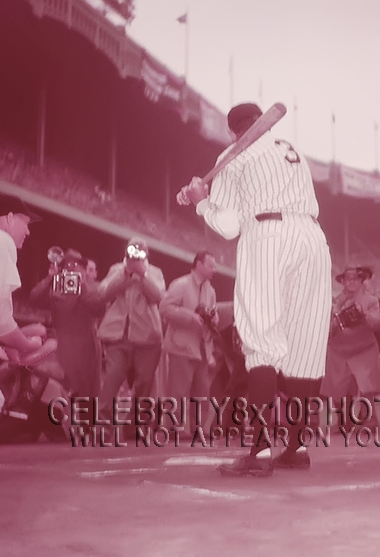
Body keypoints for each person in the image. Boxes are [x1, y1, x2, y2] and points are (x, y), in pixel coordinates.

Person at [178, 102, 332, 475]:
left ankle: (260, 453)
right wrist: (203, 196)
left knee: (262, 343)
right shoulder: (288, 147)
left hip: (268, 236)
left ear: (233, 131)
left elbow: (229, 225)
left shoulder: (234, 153)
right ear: (260, 121)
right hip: (312, 239)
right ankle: (296, 447)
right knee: (305, 348)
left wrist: (201, 203)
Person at [0, 193, 43, 433]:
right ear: (8, 218)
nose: (28, 232)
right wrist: (25, 344)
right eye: (25, 222)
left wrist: (4, 352)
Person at [96, 238, 165, 424]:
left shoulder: (155, 272)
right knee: (112, 377)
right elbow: (103, 293)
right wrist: (125, 275)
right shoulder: (116, 269)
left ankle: (136, 425)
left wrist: (143, 276)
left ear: (146, 254)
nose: (136, 255)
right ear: (126, 252)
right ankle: (103, 423)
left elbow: (158, 296)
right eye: (132, 251)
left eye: (140, 252)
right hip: (118, 336)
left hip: (148, 338)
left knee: (144, 383)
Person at [29, 248, 105, 397]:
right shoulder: (56, 288)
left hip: (86, 351)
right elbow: (34, 300)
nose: (71, 272)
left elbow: (100, 309)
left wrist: (82, 289)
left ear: (84, 270)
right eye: (67, 267)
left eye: (76, 267)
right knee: (61, 393)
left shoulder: (93, 288)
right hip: (64, 351)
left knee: (88, 395)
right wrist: (50, 277)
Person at [157, 251, 219, 432]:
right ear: (198, 264)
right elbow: (165, 308)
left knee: (202, 392)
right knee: (178, 392)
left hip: (202, 349)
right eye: (210, 265)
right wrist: (189, 316)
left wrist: (214, 319)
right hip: (181, 347)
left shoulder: (211, 291)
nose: (214, 270)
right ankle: (174, 429)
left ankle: (199, 429)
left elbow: (212, 312)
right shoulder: (180, 284)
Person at [321, 265, 380, 413]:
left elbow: (378, 323)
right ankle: (343, 419)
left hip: (364, 349)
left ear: (361, 281)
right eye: (348, 279)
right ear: (342, 281)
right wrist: (335, 322)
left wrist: (364, 315)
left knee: (367, 387)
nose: (351, 282)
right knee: (337, 389)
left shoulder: (371, 301)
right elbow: (326, 332)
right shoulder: (334, 303)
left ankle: (368, 418)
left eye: (355, 279)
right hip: (339, 351)